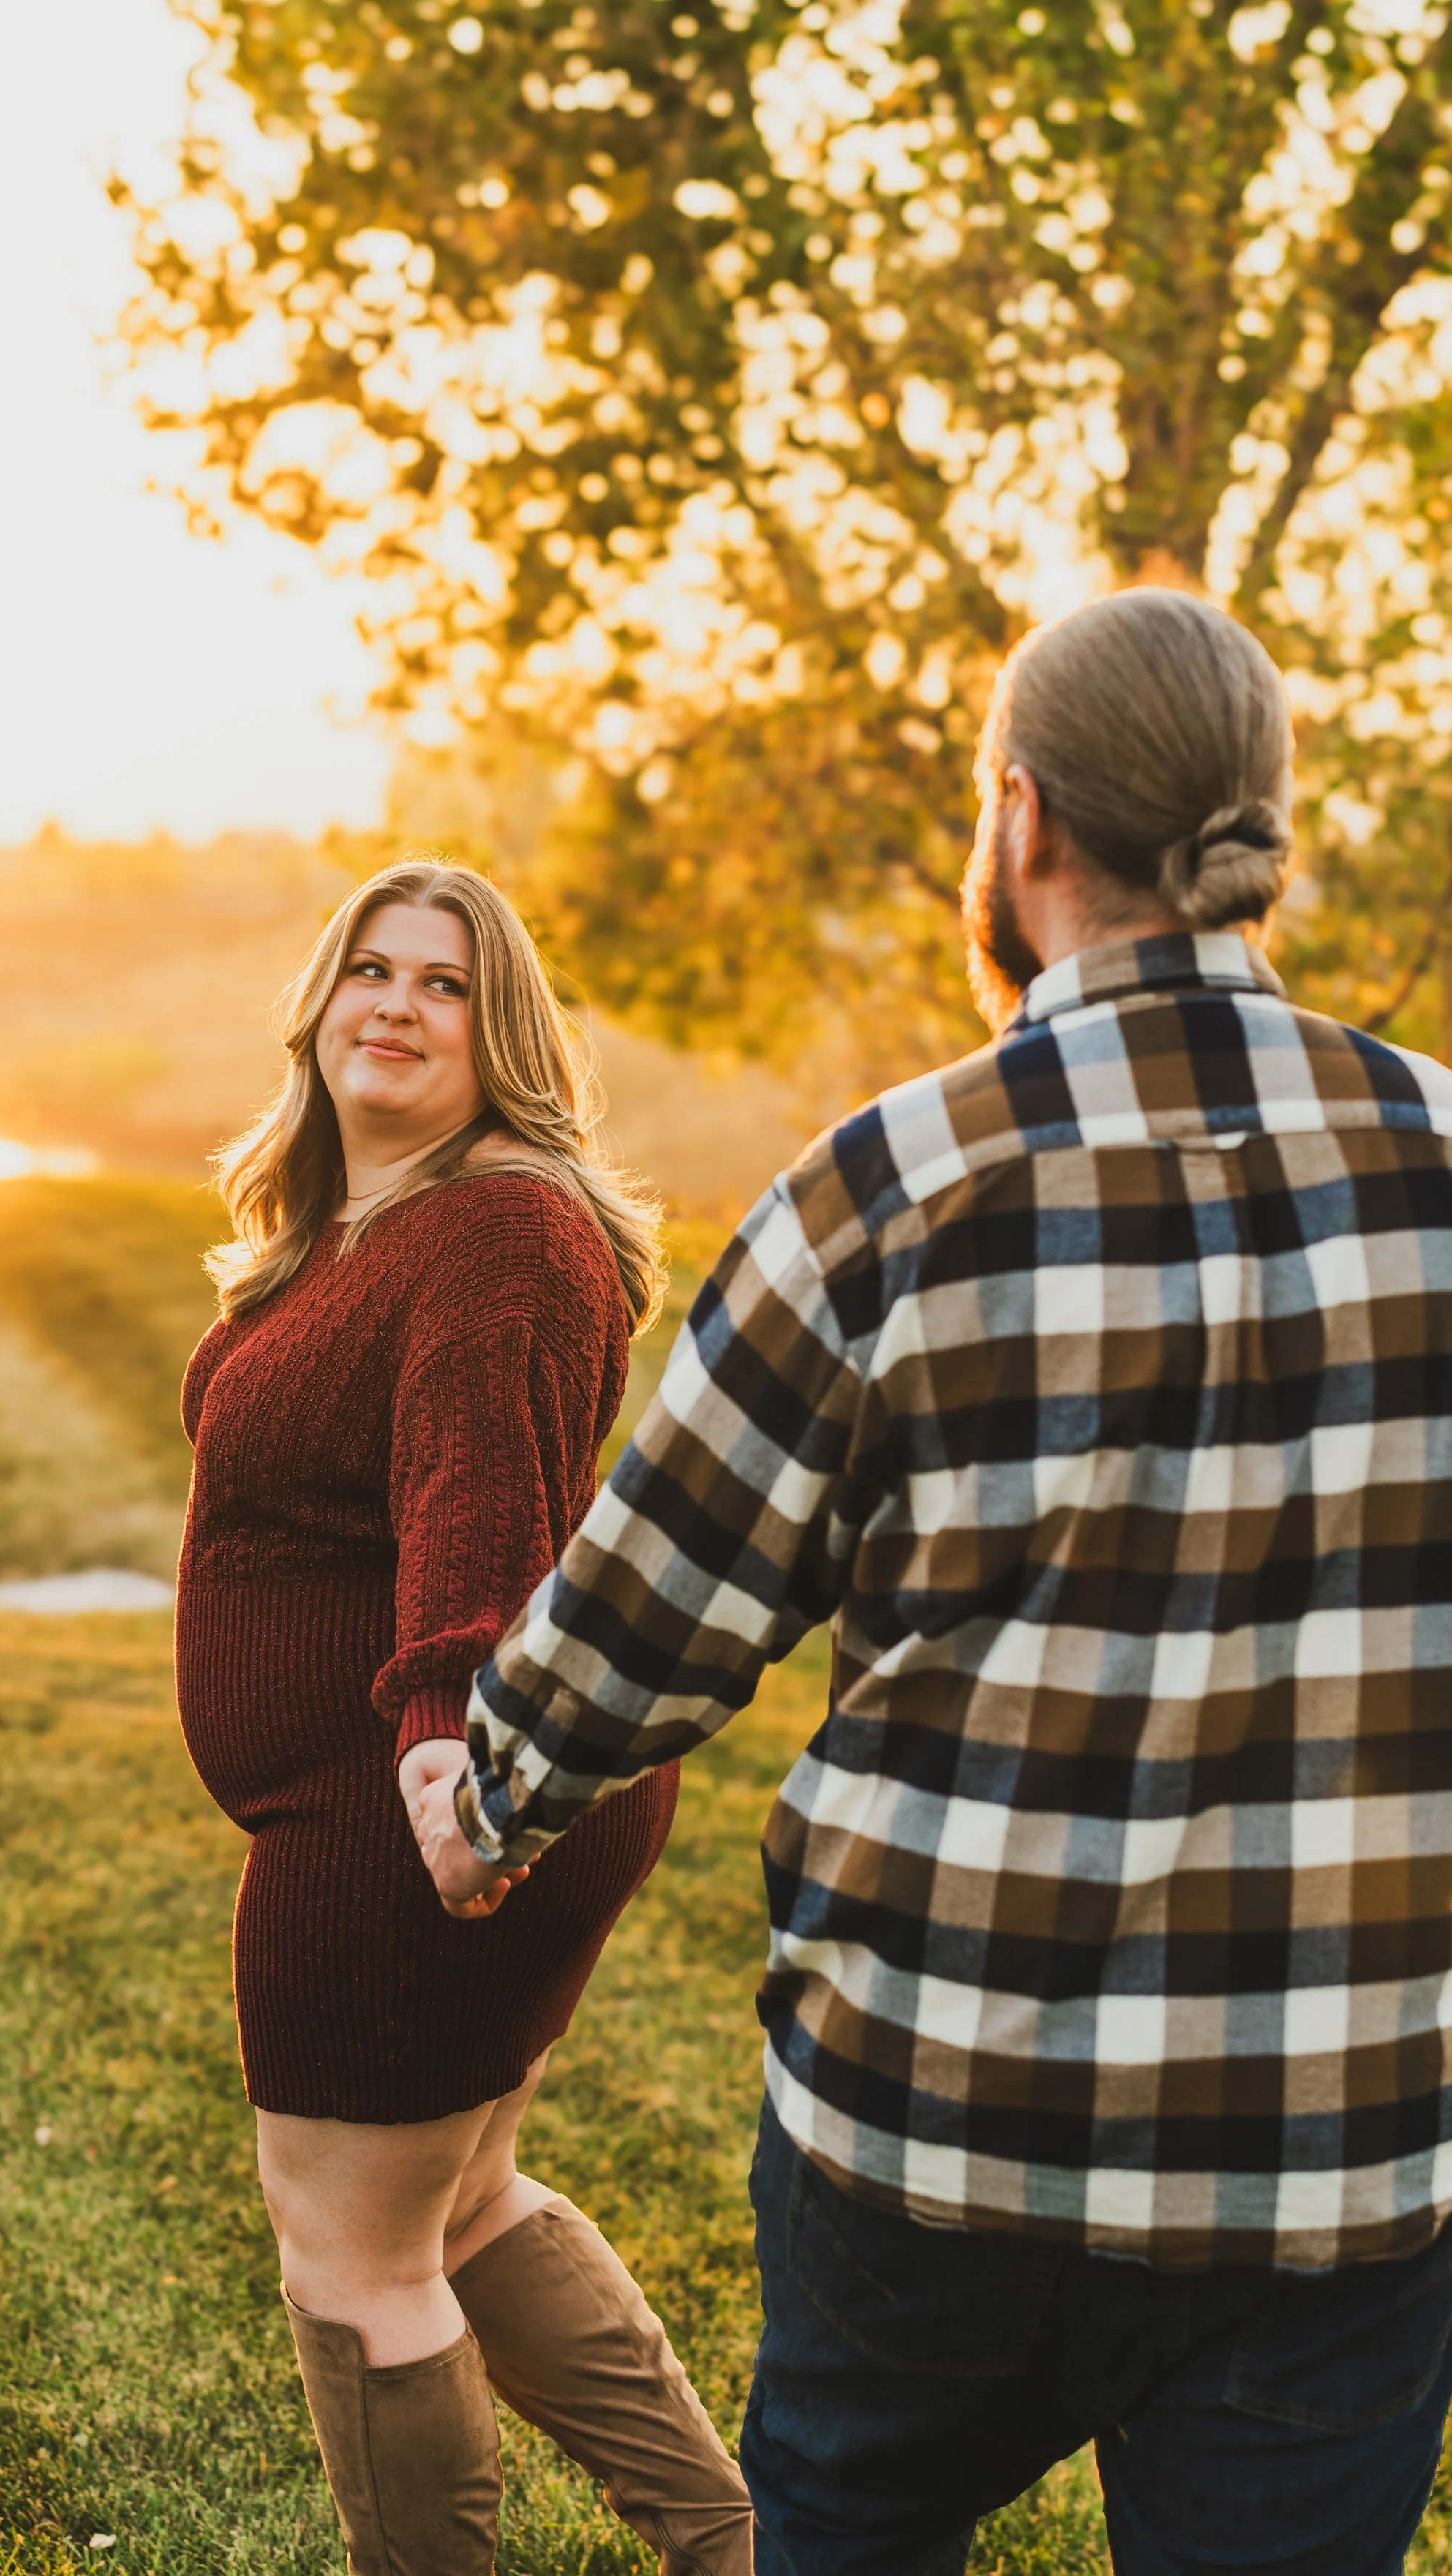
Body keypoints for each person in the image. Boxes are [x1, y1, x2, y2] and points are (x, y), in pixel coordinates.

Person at [411, 588, 1452, 2576]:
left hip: (931, 2141)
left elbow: (650, 1604)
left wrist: (494, 1795)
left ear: (1022, 817)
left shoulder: (887, 1186)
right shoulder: (1430, 1153)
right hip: (1328, 2154)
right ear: (1254, 828)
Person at [174, 855, 753, 2576]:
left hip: (416, 1805)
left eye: (442, 983)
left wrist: (440, 1742)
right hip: (431, 1787)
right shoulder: (362, 1222)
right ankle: (739, 2548)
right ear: (321, 1001)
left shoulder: (496, 1227)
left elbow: (473, 1495)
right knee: (465, 2197)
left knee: (355, 2256)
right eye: (370, 969)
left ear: (500, 1033)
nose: (396, 1006)